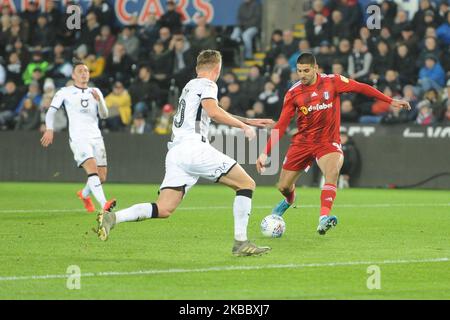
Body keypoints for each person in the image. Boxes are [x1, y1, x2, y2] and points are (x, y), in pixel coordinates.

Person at [96, 50, 274, 256]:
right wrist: (243, 127)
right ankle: (241, 243)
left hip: (177, 152)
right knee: (246, 184)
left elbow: (211, 109)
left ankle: (113, 218)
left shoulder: (190, 86)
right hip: (194, 149)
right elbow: (215, 112)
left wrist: (248, 121)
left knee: (163, 208)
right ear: (217, 69)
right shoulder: (209, 85)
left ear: (198, 68)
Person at [256, 53, 410, 235]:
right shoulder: (293, 93)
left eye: (306, 70)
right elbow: (281, 125)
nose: (302, 75)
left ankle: (323, 219)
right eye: (299, 71)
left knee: (332, 172)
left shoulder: (333, 82)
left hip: (327, 141)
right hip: (303, 143)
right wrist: (265, 152)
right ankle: (289, 200)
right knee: (283, 187)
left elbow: (361, 88)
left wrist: (390, 100)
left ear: (315, 68)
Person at [40, 61, 116, 214]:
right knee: (92, 167)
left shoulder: (95, 91)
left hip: (96, 137)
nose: (84, 73)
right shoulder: (64, 92)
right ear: (73, 75)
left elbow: (104, 115)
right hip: (78, 137)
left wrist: (99, 101)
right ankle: (104, 204)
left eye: (86, 71)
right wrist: (49, 129)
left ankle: (84, 194)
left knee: (102, 176)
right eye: (80, 71)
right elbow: (51, 112)